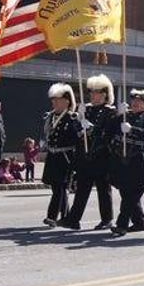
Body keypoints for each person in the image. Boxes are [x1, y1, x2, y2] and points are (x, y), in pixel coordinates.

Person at [59, 74, 116, 231]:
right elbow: (76, 131)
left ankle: (107, 219)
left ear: (104, 94)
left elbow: (108, 133)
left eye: (96, 92)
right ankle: (73, 219)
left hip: (101, 155)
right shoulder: (86, 109)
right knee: (81, 190)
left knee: (103, 190)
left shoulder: (110, 111)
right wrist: (78, 118)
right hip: (84, 155)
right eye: (91, 92)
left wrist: (90, 128)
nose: (92, 95)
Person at [109, 89, 144, 237]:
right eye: (134, 101)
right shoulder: (125, 116)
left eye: (140, 101)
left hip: (140, 163)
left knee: (131, 196)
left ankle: (121, 225)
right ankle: (139, 223)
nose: (135, 104)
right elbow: (109, 129)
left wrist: (132, 129)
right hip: (124, 162)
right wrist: (118, 115)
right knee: (127, 195)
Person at [41, 83, 84, 227]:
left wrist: (82, 121)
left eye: (57, 99)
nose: (54, 102)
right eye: (53, 100)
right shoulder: (51, 116)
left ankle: (51, 216)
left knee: (60, 187)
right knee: (56, 187)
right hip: (53, 156)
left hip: (66, 156)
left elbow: (79, 138)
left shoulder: (72, 118)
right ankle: (66, 215)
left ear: (66, 101)